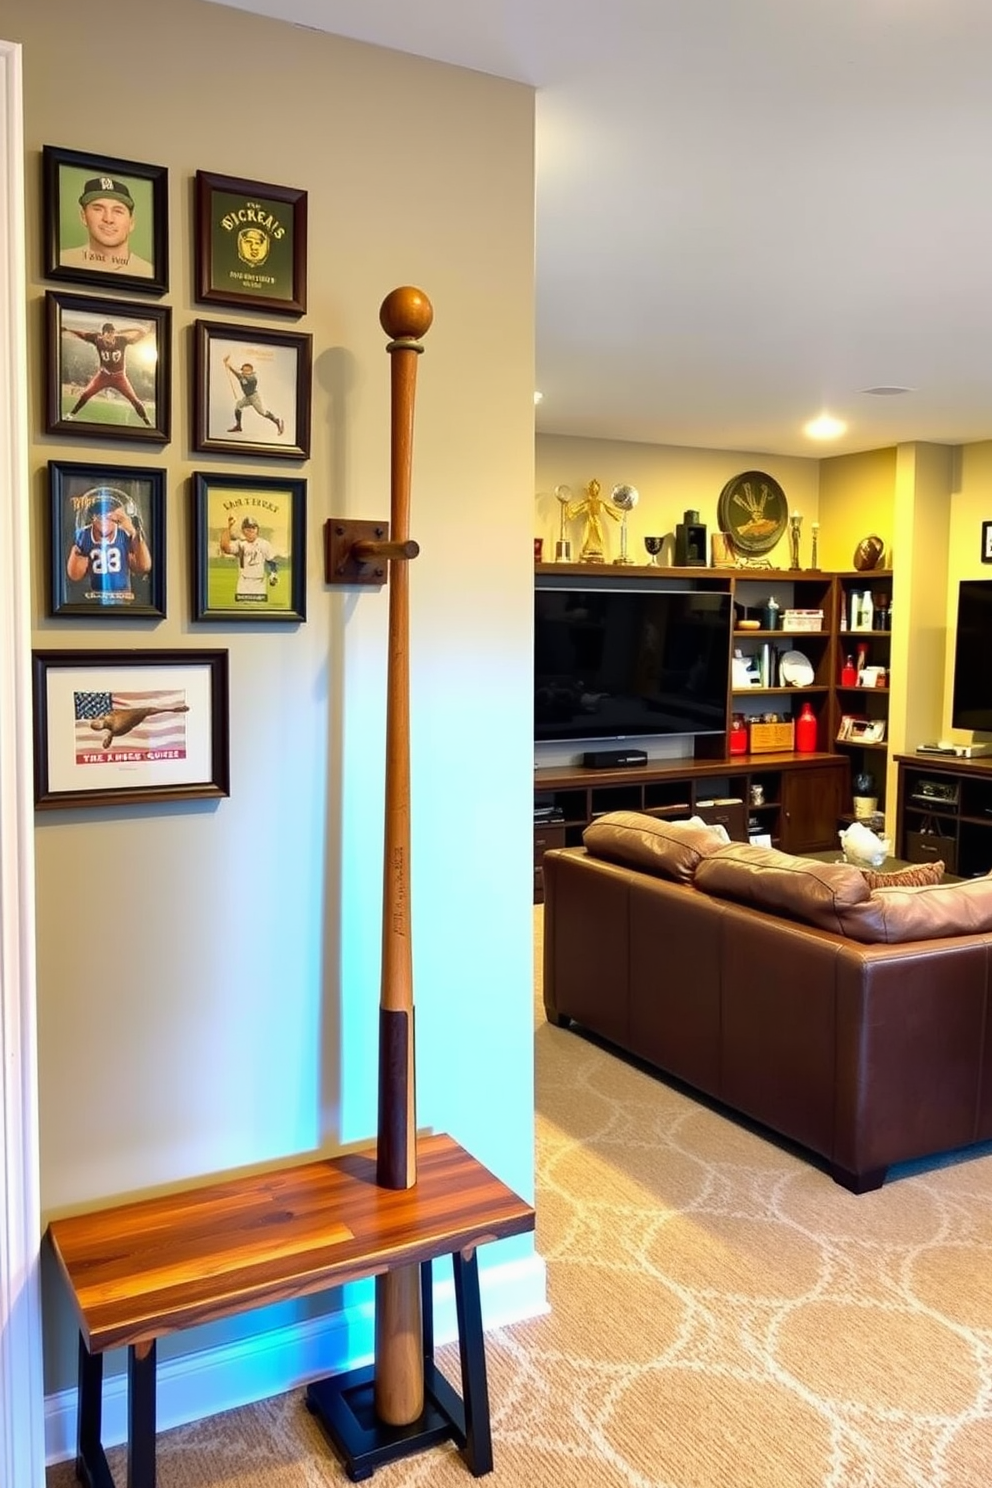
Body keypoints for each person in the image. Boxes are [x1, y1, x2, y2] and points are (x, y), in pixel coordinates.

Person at [66, 488, 152, 604]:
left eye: (109, 513)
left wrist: (133, 533)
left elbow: (143, 566)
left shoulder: (125, 534)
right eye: (100, 513)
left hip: (123, 598)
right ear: (92, 517)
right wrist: (78, 549)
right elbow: (75, 574)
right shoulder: (84, 535)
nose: (105, 517)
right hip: (95, 599)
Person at [59, 175, 154, 278]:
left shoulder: (147, 272)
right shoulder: (63, 260)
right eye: (98, 209)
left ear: (131, 222)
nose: (108, 219)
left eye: (118, 211)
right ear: (83, 217)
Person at [62, 321, 153, 425]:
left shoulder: (121, 340)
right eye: (108, 334)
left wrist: (123, 330)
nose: (111, 337)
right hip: (103, 375)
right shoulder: (97, 339)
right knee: (86, 394)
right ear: (103, 334)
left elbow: (141, 334)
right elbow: (82, 335)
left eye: (112, 333)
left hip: (119, 377)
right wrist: (68, 330)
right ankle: (71, 414)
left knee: (134, 400)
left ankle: (146, 421)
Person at [219, 514, 279, 603]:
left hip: (259, 583)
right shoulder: (240, 544)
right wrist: (229, 526)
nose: (250, 530)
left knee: (258, 610)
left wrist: (273, 574)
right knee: (243, 610)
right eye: (247, 529)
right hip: (244, 583)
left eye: (253, 528)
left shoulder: (264, 544)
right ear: (243, 531)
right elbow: (224, 547)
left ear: (257, 530)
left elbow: (271, 561)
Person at [223, 355, 284, 438]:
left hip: (254, 398)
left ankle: (276, 421)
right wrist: (228, 365)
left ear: (251, 371)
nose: (245, 372)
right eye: (244, 370)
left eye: (248, 370)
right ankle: (238, 426)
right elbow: (237, 374)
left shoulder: (252, 378)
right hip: (248, 397)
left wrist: (229, 365)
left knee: (262, 412)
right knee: (238, 405)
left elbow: (241, 376)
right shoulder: (241, 376)